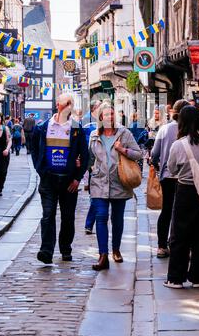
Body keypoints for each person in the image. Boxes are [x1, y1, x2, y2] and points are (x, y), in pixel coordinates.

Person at [164, 105, 199, 289]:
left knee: (179, 236)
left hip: (186, 191)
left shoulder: (179, 145)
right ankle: (197, 278)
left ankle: (175, 278)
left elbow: (171, 169)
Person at [32, 94, 88, 264]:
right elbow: (35, 149)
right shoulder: (43, 127)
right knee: (48, 215)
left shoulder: (77, 129)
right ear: (58, 105)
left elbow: (84, 156)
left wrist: (78, 178)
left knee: (68, 216)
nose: (69, 106)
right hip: (48, 179)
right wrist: (40, 170)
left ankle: (65, 249)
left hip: (69, 181)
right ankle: (46, 251)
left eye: (71, 104)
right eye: (66, 103)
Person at [88, 102, 143, 271]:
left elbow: (138, 154)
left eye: (112, 114)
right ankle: (103, 255)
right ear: (100, 117)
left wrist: (122, 150)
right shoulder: (93, 135)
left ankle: (116, 249)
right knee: (101, 217)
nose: (109, 117)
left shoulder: (124, 133)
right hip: (99, 181)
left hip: (120, 181)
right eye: (106, 114)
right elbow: (90, 158)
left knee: (117, 219)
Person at [151, 100, 190, 259]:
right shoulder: (189, 130)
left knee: (166, 211)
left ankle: (161, 246)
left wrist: (157, 164)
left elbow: (154, 153)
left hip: (167, 176)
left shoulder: (164, 129)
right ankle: (179, 244)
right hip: (186, 177)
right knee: (182, 213)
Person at [83, 100, 102, 234]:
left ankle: (92, 224)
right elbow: (85, 145)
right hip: (94, 166)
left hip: (107, 167)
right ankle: (90, 224)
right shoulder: (86, 121)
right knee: (95, 197)